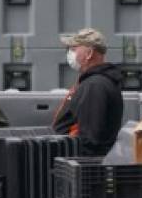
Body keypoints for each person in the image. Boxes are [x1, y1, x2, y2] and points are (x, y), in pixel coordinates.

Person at [52, 28, 123, 157]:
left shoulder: (94, 86)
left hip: (79, 163)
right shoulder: (95, 82)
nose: (70, 54)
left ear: (89, 53)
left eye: (74, 49)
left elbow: (89, 139)